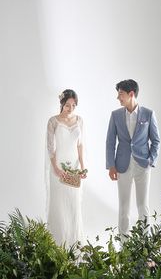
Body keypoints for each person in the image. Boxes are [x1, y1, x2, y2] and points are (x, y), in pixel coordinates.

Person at [106, 79, 160, 239]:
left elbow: (156, 141)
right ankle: (124, 246)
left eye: (120, 94)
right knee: (124, 207)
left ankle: (144, 245)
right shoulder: (115, 115)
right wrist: (111, 165)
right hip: (121, 165)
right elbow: (110, 142)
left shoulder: (148, 114)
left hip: (143, 165)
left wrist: (151, 160)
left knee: (143, 206)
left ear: (131, 94)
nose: (118, 98)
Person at [46, 89, 86, 247]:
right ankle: (57, 245)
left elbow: (80, 144)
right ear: (62, 104)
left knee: (73, 205)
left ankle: (73, 244)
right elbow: (50, 147)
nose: (70, 108)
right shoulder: (53, 121)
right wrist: (55, 167)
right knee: (59, 205)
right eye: (68, 105)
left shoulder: (80, 120)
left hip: (74, 168)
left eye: (74, 105)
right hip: (58, 169)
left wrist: (83, 166)